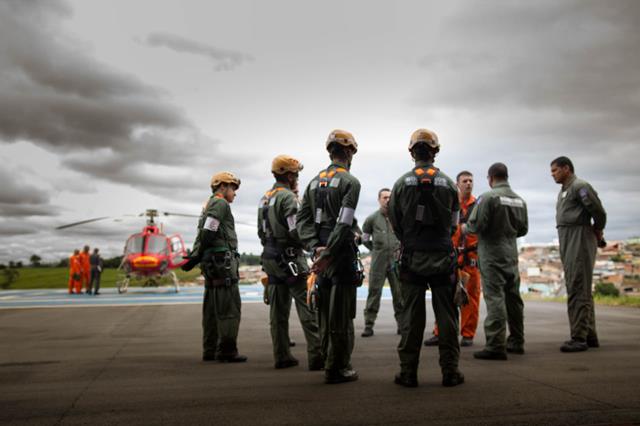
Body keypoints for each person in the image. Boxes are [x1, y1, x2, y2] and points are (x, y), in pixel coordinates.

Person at [389, 128, 464, 388]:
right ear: (435, 151)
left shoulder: (400, 184)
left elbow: (395, 223)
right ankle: (450, 372)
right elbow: (455, 225)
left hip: (412, 259)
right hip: (443, 258)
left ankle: (408, 373)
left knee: (412, 319)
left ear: (412, 152)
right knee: (447, 317)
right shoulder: (450, 185)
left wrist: (410, 239)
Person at [297, 129, 362, 384]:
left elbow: (302, 221)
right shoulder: (350, 182)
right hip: (340, 255)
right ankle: (338, 367)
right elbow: (345, 223)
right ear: (348, 152)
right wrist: (330, 252)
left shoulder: (313, 182)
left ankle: (327, 359)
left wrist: (315, 248)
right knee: (341, 314)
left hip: (320, 255)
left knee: (323, 312)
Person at [258, 155, 323, 370]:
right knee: (307, 306)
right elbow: (296, 229)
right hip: (291, 259)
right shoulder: (288, 199)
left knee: (278, 311)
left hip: (271, 258)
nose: (297, 178)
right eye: (296, 174)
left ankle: (282, 355)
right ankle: (316, 356)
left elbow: (261, 232)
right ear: (289, 175)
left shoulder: (265, 198)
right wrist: (311, 246)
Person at [182, 171, 247, 363]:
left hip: (211, 263)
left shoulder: (208, 205)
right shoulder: (219, 203)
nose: (234, 193)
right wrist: (198, 254)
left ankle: (210, 349)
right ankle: (227, 351)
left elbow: (202, 232)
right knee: (228, 307)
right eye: (232, 188)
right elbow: (209, 230)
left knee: (211, 309)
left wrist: (196, 255)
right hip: (222, 264)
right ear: (223, 187)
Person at [468, 162, 528, 360]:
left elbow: (475, 225)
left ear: (490, 178)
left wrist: (464, 227)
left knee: (495, 299)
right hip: (510, 254)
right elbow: (523, 230)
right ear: (506, 177)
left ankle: (495, 345)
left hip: (492, 255)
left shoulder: (487, 197)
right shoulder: (520, 200)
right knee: (514, 299)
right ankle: (517, 341)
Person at [551, 156, 606, 352]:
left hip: (579, 237)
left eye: (555, 170)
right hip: (568, 237)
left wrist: (598, 230)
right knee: (579, 286)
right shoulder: (565, 190)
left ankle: (579, 338)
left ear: (567, 168)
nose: (553, 174)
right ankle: (589, 335)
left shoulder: (579, 186)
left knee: (577, 286)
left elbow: (598, 211)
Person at [424, 171, 481, 347]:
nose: (469, 183)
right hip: (451, 259)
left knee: (470, 299)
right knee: (444, 298)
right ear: (457, 184)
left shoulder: (478, 206)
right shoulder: (449, 204)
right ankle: (440, 332)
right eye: (465, 181)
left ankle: (468, 334)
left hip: (470, 260)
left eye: (471, 180)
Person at [361, 188, 404, 337]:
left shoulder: (399, 218)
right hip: (378, 262)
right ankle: (369, 324)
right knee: (374, 293)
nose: (387, 200)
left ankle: (402, 324)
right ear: (379, 199)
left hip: (396, 263)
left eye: (389, 197)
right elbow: (364, 239)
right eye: (384, 197)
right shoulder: (372, 219)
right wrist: (375, 249)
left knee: (399, 294)